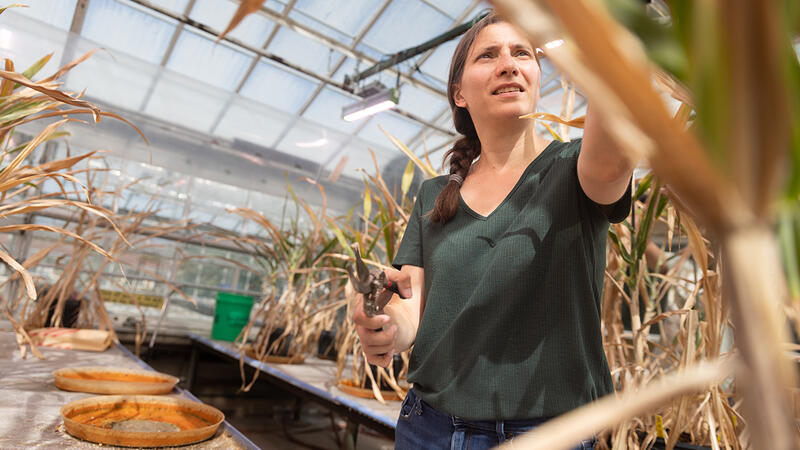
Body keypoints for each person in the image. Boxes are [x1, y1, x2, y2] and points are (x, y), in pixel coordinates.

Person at [352, 11, 635, 450]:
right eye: (488, 55)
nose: (509, 63)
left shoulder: (574, 168)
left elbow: (614, 155)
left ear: (539, 77)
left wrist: (610, 32)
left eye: (522, 52)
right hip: (428, 427)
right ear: (459, 93)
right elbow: (414, 309)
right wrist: (385, 323)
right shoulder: (433, 195)